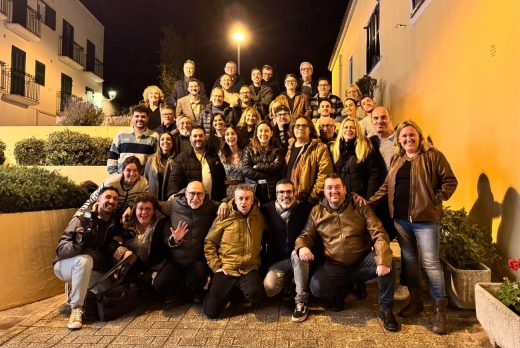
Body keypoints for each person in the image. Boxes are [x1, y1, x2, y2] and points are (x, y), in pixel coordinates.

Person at [360, 120, 458, 334]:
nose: (408, 139)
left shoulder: (433, 156)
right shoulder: (398, 158)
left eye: (411, 135)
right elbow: (387, 185)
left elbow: (450, 181)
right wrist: (369, 201)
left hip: (425, 220)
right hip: (401, 220)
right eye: (403, 136)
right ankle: (416, 302)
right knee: (410, 261)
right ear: (399, 140)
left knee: (431, 264)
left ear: (419, 136)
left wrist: (434, 200)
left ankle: (439, 311)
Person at [295, 174, 400, 332]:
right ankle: (342, 288)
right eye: (329, 188)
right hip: (335, 264)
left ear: (344, 189)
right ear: (324, 191)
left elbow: (379, 233)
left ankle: (386, 309)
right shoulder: (316, 211)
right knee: (316, 288)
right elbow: (305, 235)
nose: (334, 191)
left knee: (388, 260)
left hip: (362, 260)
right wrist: (302, 246)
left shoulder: (360, 206)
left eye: (337, 187)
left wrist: (383, 259)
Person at [53, 187, 120, 329]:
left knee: (110, 290)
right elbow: (60, 250)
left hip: (92, 269)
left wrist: (120, 246)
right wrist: (78, 244)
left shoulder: (114, 224)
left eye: (115, 199)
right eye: (107, 197)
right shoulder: (82, 220)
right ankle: (76, 308)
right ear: (98, 199)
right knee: (84, 260)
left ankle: (78, 298)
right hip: (65, 265)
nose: (111, 201)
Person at [203, 184, 266, 319]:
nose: (244, 202)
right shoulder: (224, 216)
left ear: (252, 200)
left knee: (256, 294)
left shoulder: (259, 217)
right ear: (234, 200)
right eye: (240, 198)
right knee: (211, 312)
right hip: (227, 268)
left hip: (248, 268)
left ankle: (236, 292)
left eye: (247, 198)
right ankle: (217, 290)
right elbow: (209, 242)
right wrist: (216, 266)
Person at [158, 181, 223, 302]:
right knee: (161, 284)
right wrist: (131, 207)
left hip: (197, 259)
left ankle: (194, 288)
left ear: (204, 194)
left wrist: (225, 203)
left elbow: (233, 202)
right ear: (185, 194)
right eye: (192, 194)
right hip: (176, 258)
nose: (195, 198)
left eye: (200, 194)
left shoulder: (210, 205)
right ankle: (179, 288)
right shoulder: (173, 203)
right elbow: (151, 204)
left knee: (198, 278)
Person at [261, 179, 313, 322]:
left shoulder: (305, 208)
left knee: (297, 254)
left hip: (301, 258)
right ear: (276, 194)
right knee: (270, 289)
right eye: (281, 192)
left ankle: (301, 301)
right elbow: (244, 204)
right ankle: (289, 282)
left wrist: (353, 197)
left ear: (295, 193)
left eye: (289, 191)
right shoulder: (266, 209)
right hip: (279, 261)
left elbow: (326, 205)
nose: (285, 195)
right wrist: (226, 202)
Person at [369, 106, 407, 300]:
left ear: (390, 118)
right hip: (379, 200)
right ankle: (385, 280)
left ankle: (405, 284)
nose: (379, 121)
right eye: (375, 118)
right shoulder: (370, 142)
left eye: (383, 117)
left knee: (405, 243)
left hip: (401, 200)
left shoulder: (401, 140)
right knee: (381, 240)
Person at [111, 194, 171, 295]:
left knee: (156, 288)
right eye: (140, 209)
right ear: (135, 209)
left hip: (154, 266)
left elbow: (167, 242)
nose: (144, 212)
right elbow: (113, 241)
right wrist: (121, 248)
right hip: (133, 266)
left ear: (154, 211)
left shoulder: (161, 224)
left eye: (148, 209)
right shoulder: (127, 224)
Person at [331, 116, 386, 200]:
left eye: (352, 127)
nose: (348, 129)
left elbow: (375, 175)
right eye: (346, 127)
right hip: (341, 199)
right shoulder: (335, 148)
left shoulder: (367, 147)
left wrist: (369, 199)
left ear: (357, 130)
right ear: (341, 130)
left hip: (361, 199)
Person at [168, 126, 227, 201]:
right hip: (191, 203)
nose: (198, 138)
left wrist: (224, 199)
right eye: (195, 136)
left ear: (205, 137)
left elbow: (222, 178)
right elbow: (174, 179)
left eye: (200, 136)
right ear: (190, 138)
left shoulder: (215, 155)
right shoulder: (182, 157)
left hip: (214, 202)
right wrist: (173, 193)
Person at [79, 156, 149, 219]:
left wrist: (130, 208)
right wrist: (78, 217)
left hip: (127, 214)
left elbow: (142, 202)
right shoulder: (112, 182)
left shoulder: (143, 184)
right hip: (109, 212)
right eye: (128, 170)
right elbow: (92, 199)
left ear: (139, 172)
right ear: (123, 171)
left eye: (135, 170)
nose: (132, 174)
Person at [285, 116, 333, 203]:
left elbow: (324, 175)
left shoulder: (320, 148)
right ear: (293, 128)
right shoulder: (289, 147)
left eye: (304, 126)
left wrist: (312, 197)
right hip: (288, 198)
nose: (301, 128)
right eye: (297, 126)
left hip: (307, 201)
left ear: (310, 129)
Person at [107, 104, 158, 174]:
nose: (139, 119)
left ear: (147, 118)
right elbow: (112, 157)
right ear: (132, 118)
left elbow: (156, 160)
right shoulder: (121, 134)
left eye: (143, 116)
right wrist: (115, 175)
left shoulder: (154, 136)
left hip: (143, 181)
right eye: (137, 116)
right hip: (122, 178)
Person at [241, 121, 284, 204]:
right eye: (260, 131)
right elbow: (245, 169)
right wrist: (264, 176)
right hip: (253, 189)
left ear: (271, 133)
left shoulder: (277, 149)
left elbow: (277, 167)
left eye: (266, 131)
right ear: (256, 134)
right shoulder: (248, 149)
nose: (263, 133)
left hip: (272, 190)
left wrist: (258, 166)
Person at [144, 132, 175, 201]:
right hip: (152, 200)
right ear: (159, 143)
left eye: (168, 139)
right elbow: (145, 180)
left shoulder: (177, 159)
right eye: (162, 139)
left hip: (170, 200)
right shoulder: (151, 159)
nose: (165, 141)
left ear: (173, 143)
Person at [219, 126, 245, 198]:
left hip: (244, 190)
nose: (230, 136)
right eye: (227, 134)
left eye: (233, 133)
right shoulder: (221, 154)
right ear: (224, 138)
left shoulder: (246, 152)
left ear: (238, 136)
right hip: (227, 191)